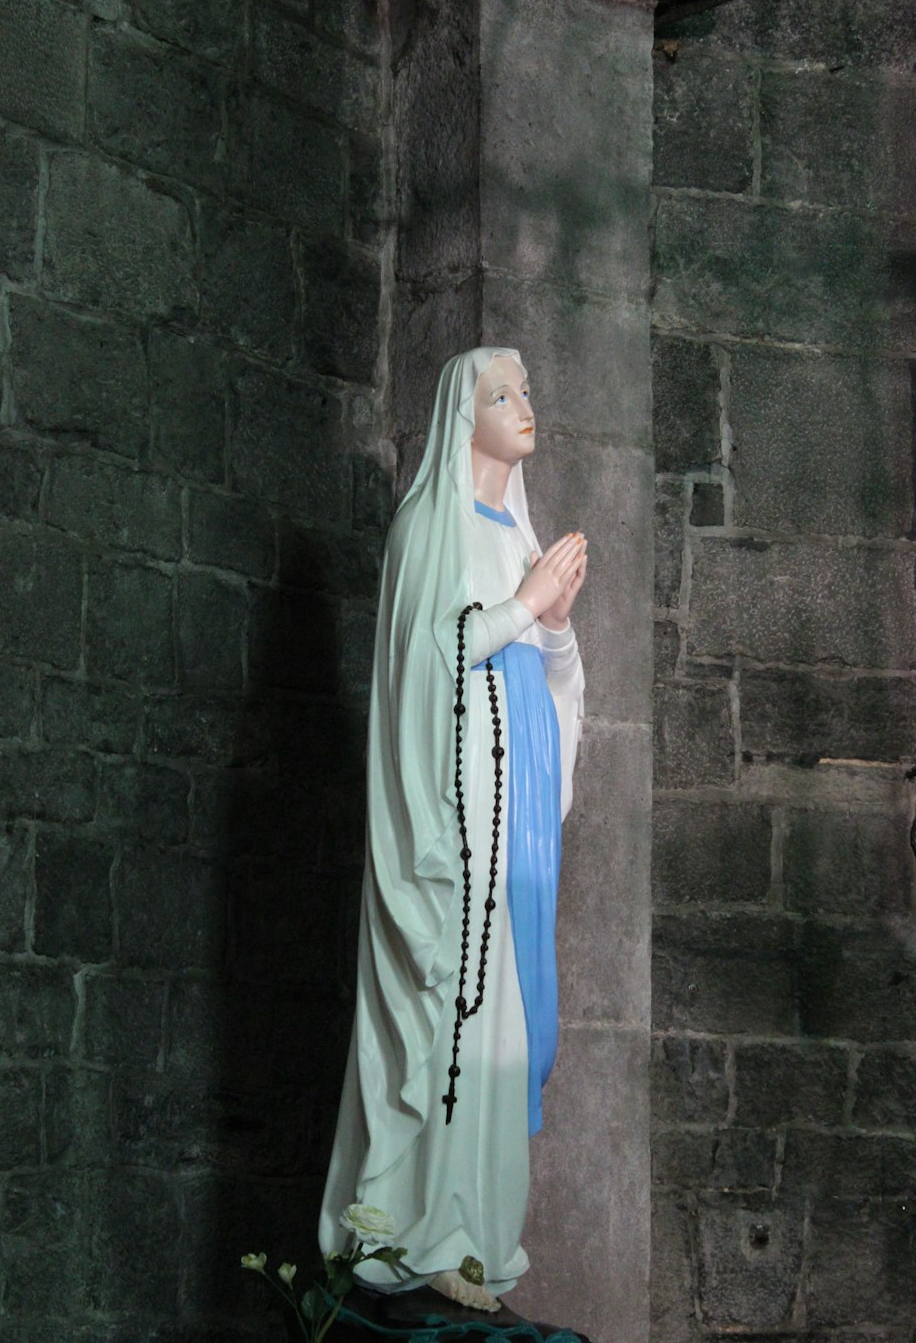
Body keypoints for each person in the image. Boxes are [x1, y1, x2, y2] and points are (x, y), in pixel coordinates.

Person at [319, 347, 586, 1312]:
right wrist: (523, 609)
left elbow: (557, 687)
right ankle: (427, 1227)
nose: (524, 404)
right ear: (459, 416)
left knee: (509, 1022)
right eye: (502, 393)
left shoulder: (519, 534)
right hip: (455, 816)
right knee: (456, 1014)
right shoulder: (426, 528)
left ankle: (479, 1235)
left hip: (517, 825)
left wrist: (552, 625)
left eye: (527, 388)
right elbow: (423, 669)